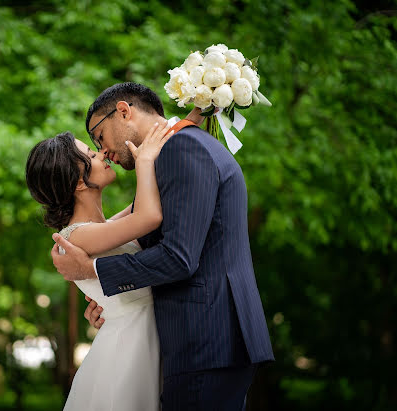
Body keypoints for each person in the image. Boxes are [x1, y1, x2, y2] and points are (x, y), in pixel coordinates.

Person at [51, 82, 274, 410]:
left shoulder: (181, 149)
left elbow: (178, 258)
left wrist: (93, 270)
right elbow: (123, 231)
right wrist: (108, 301)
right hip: (204, 340)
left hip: (205, 340)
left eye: (99, 136)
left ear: (124, 111)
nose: (103, 150)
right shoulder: (175, 149)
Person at [26, 121, 175, 410]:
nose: (103, 153)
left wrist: (184, 122)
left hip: (140, 341)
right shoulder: (77, 236)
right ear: (79, 182)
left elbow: (139, 207)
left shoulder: (98, 228)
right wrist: (144, 162)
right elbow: (148, 217)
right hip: (129, 351)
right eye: (91, 155)